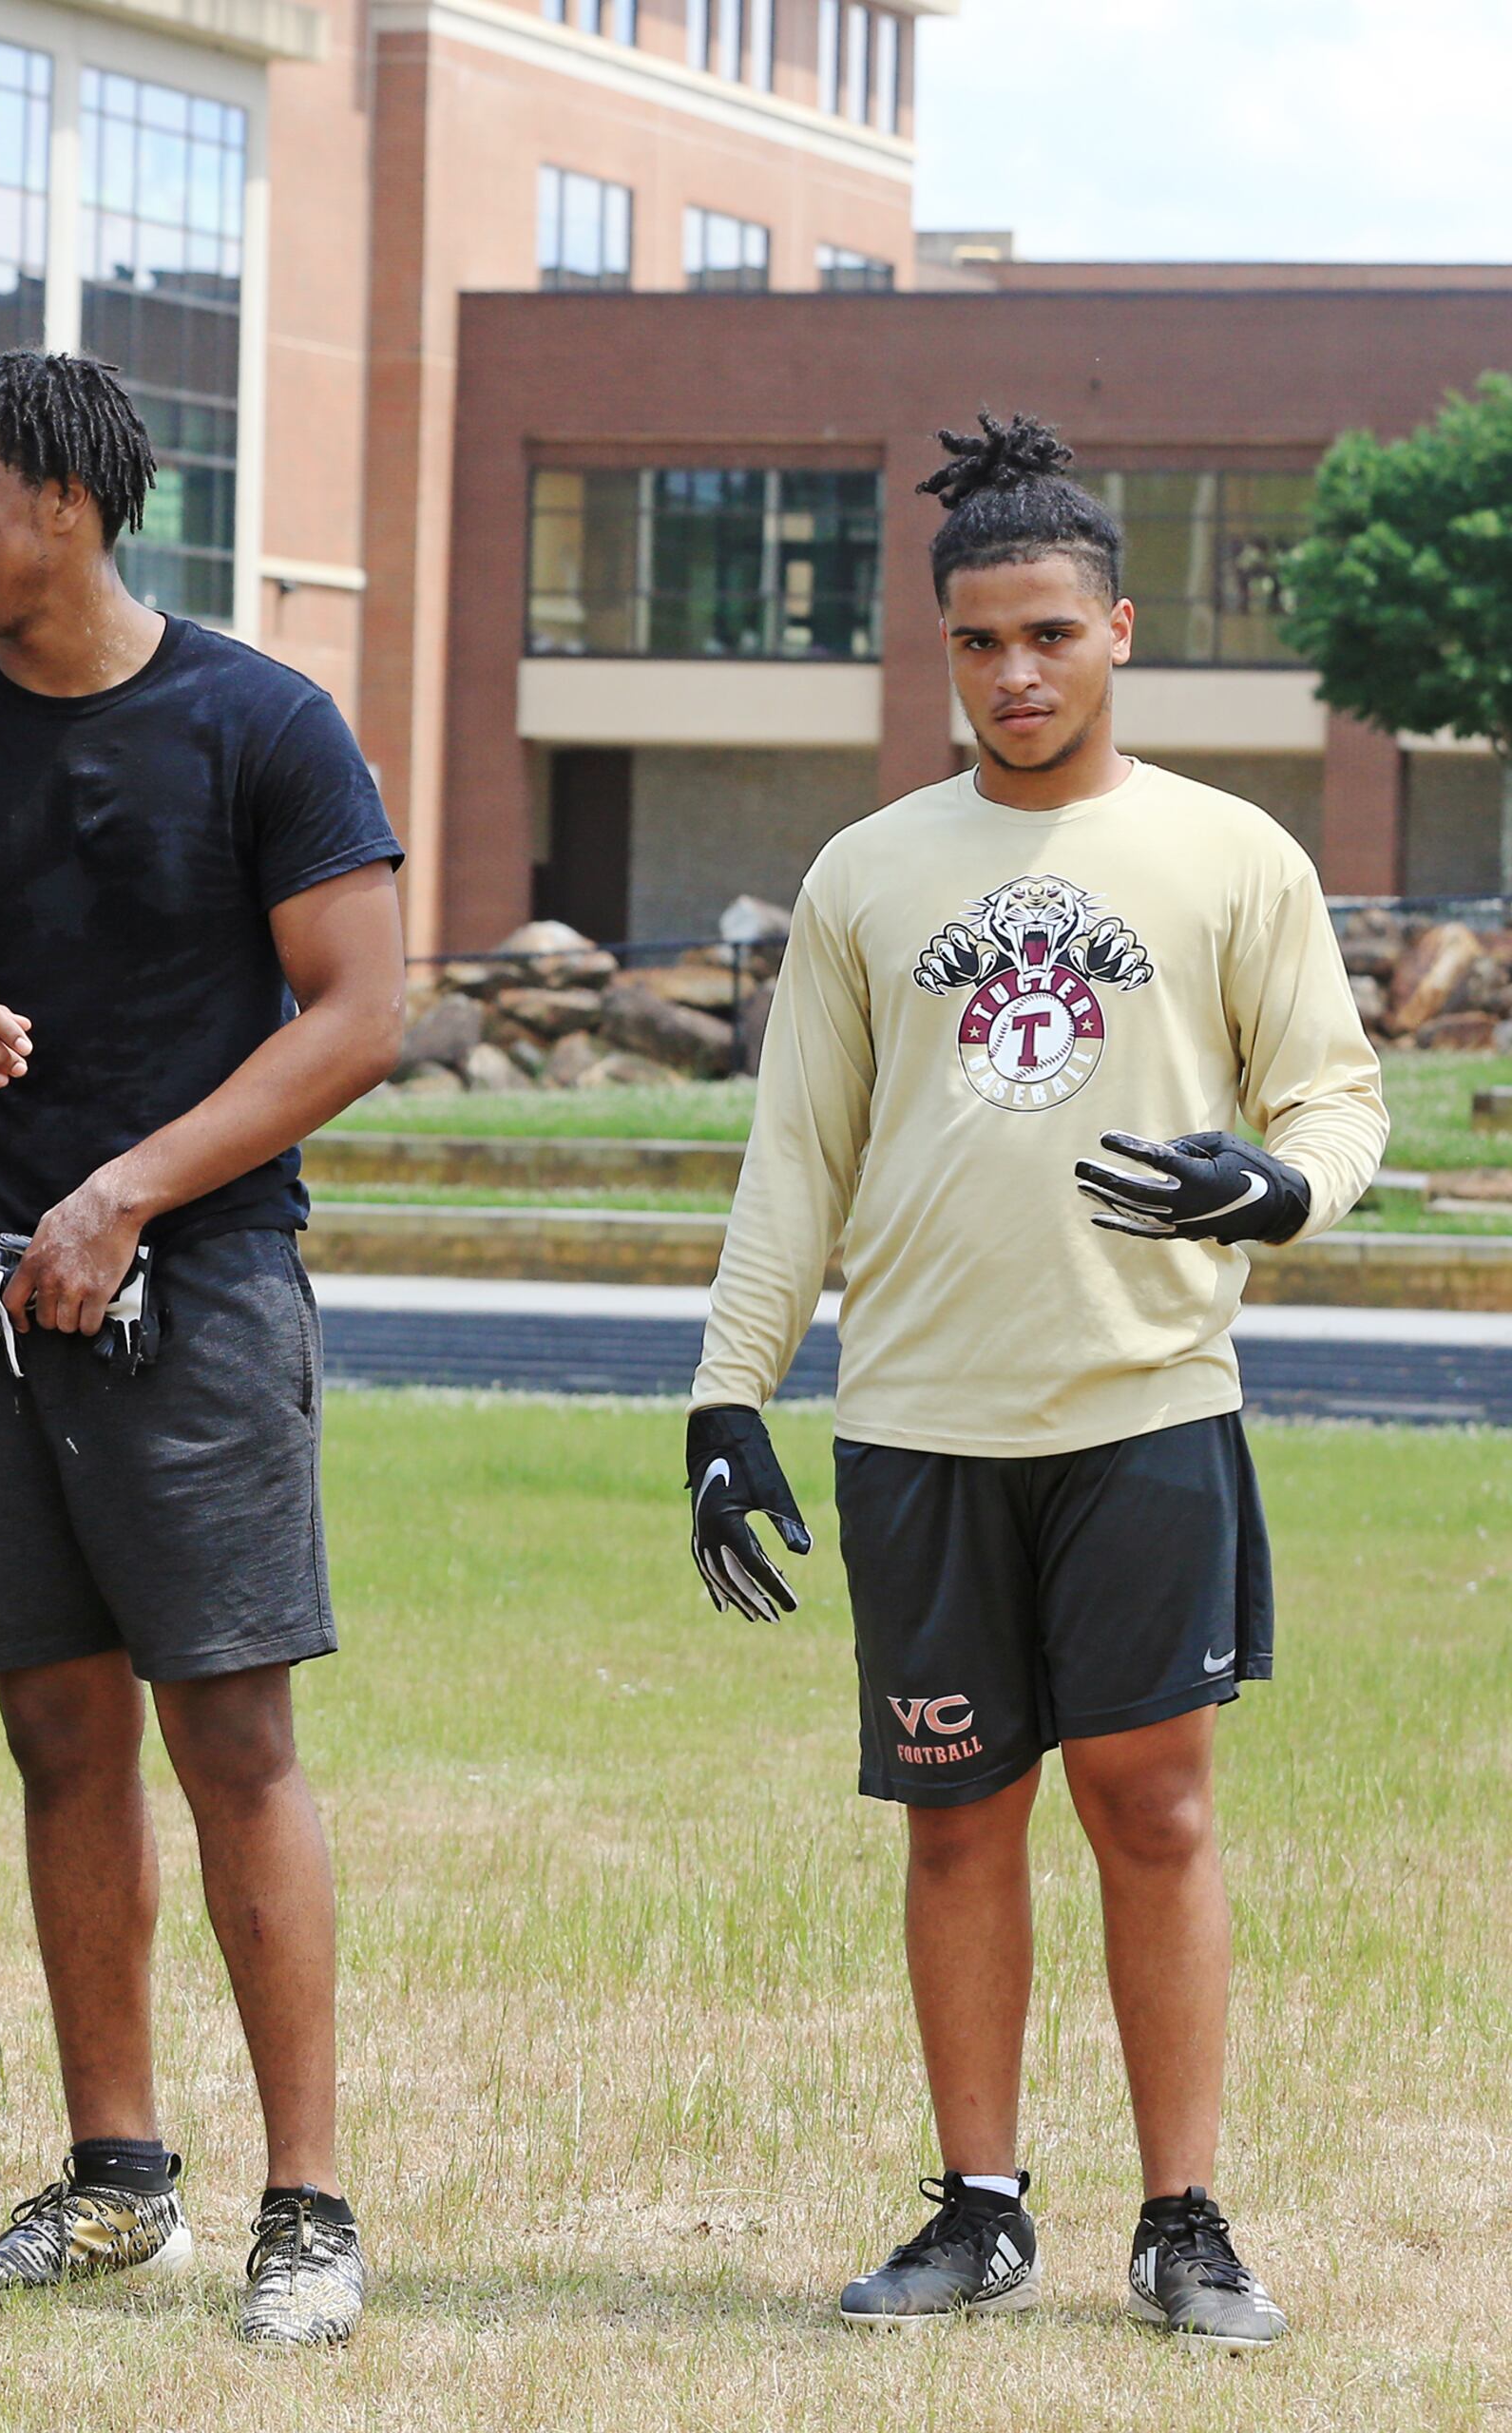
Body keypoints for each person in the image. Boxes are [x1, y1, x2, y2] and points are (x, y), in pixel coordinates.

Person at [685, 413, 1387, 2351]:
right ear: (944, 649)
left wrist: (1287, 1179)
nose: (1015, 672)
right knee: (955, 1816)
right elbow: (797, 1158)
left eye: (1052, 635)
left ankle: (1185, 2216)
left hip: (1145, 1405)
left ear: (1118, 630)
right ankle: (980, 2205)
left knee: (1152, 1810)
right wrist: (730, 1395)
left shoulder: (1227, 852)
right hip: (919, 1419)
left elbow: (1335, 1089)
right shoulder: (865, 873)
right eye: (981, 641)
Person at [0, 352, 406, 2348]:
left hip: (204, 1287)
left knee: (231, 1735)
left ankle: (306, 2205)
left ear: (71, 498)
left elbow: (354, 1016)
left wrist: (132, 1186)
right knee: (56, 1733)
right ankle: (114, 2173)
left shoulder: (265, 722)